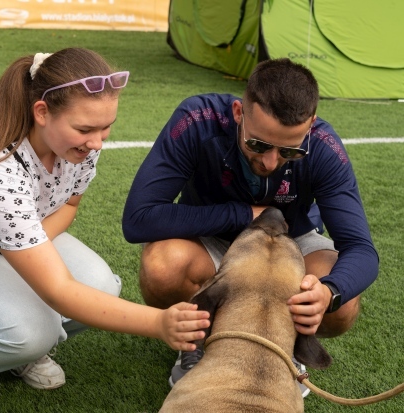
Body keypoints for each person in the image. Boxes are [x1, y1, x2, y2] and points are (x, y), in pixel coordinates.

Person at [0, 48, 210, 413]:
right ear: (41, 112)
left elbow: (69, 205)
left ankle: (16, 352)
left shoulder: (80, 143)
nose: (98, 142)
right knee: (32, 328)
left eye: (107, 126)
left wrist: (27, 250)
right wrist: (159, 322)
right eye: (85, 129)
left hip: (10, 240)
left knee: (101, 286)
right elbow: (59, 291)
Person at [122, 58, 379, 389]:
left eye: (290, 151)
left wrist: (330, 292)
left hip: (291, 242)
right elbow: (138, 219)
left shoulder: (324, 147)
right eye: (258, 144)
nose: (271, 161)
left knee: (343, 305)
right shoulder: (197, 119)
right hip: (209, 238)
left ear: (311, 124)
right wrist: (243, 213)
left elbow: (361, 249)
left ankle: (284, 347)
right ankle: (199, 340)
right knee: (162, 267)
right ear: (239, 112)